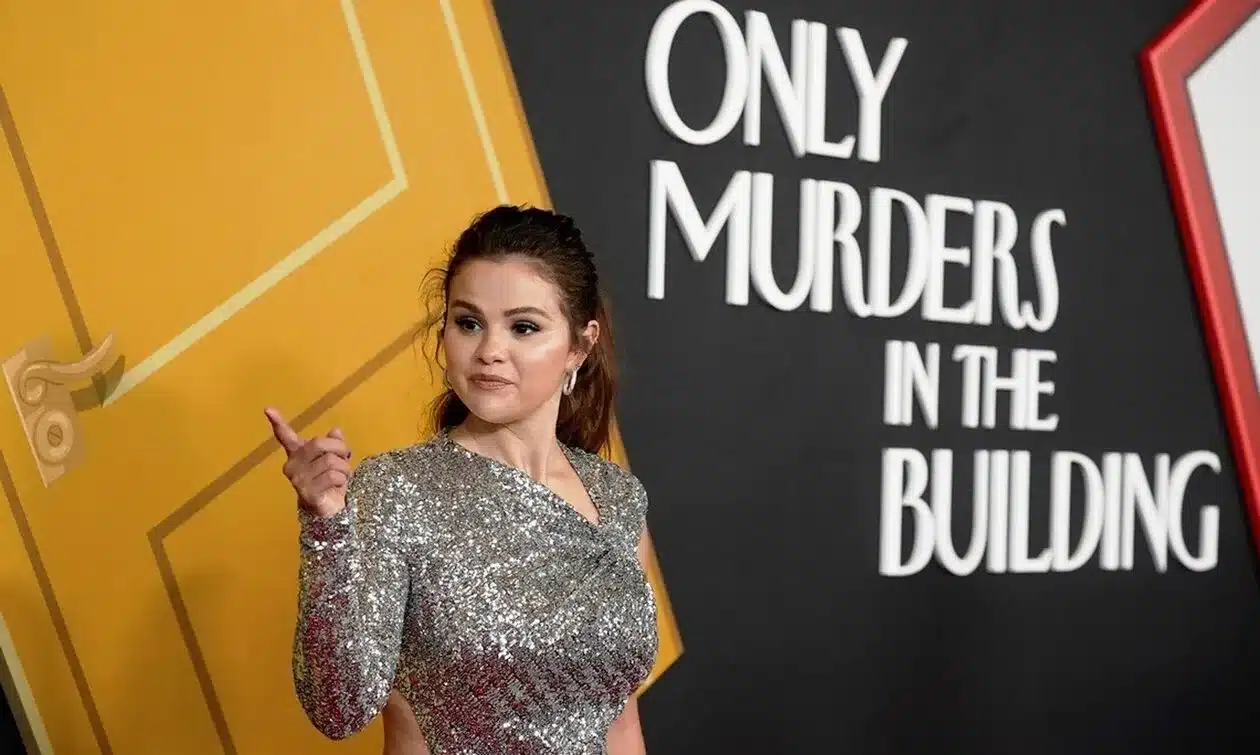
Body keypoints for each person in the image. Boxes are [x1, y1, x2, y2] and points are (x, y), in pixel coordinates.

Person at [265, 205, 659, 754]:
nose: (490, 351)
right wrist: (327, 532)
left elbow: (619, 719)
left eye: (524, 327)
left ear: (580, 345)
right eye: (468, 323)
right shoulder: (397, 489)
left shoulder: (618, 499)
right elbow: (339, 708)